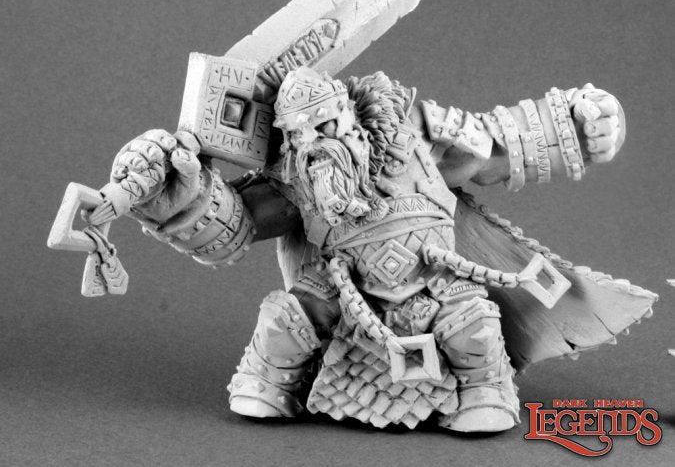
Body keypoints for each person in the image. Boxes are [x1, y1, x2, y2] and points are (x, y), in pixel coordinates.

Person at [97, 66, 653, 433]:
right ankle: (267, 386)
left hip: (434, 277)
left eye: (323, 125)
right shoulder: (295, 177)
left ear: (350, 114)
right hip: (342, 288)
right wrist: (181, 196)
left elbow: (493, 146)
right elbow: (232, 230)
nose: (313, 143)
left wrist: (578, 125)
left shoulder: (417, 136)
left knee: (474, 326)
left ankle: (486, 395)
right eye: (298, 134)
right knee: (284, 321)